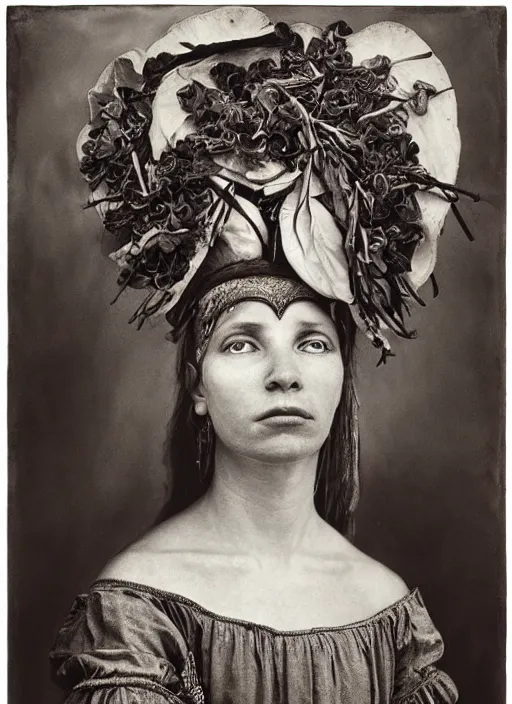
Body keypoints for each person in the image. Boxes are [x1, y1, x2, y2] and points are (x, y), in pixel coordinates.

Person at [50, 7, 477, 702]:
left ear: (343, 371)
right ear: (195, 381)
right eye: (243, 341)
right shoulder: (139, 618)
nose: (285, 375)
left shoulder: (392, 615)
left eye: (312, 341)